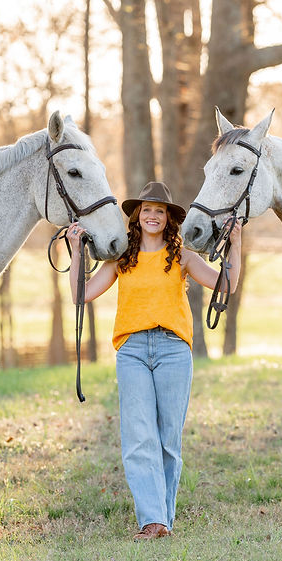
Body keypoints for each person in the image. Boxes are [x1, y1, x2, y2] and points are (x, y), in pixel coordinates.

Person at [66, 181, 241, 541]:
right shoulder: (121, 259)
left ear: (168, 219)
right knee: (138, 436)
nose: (152, 216)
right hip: (131, 350)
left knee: (167, 439)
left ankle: (163, 518)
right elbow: (79, 294)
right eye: (146, 209)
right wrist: (75, 251)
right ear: (136, 216)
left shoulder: (183, 257)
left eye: (159, 211)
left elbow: (226, 284)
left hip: (173, 350)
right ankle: (152, 521)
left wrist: (235, 245)